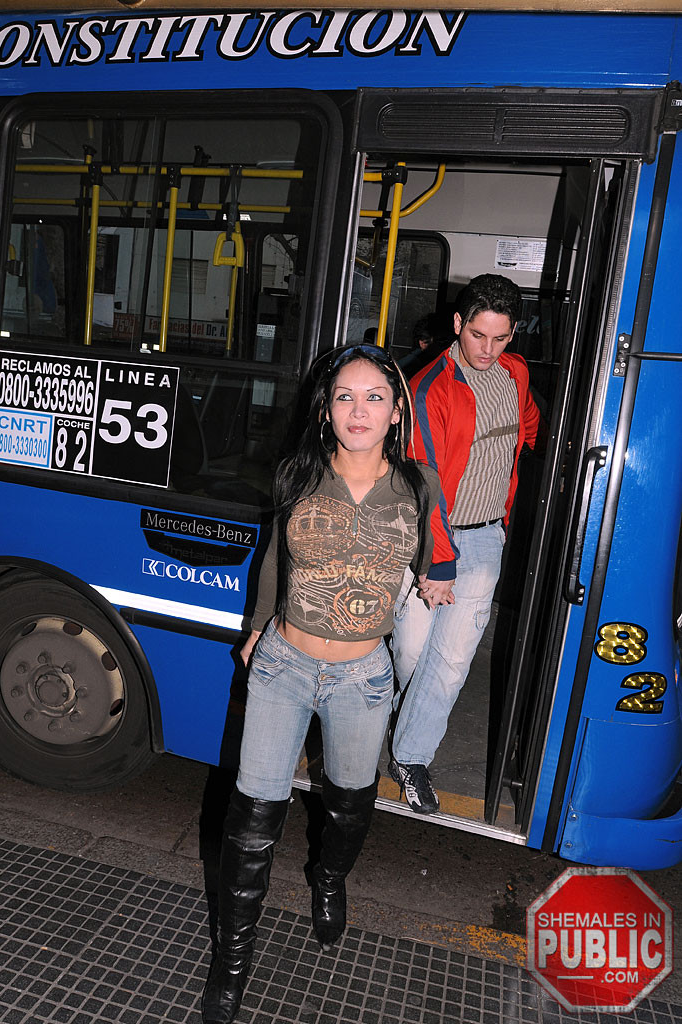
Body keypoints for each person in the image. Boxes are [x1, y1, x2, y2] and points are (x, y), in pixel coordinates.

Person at [202, 343, 456, 1024]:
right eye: (344, 395)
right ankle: (230, 967)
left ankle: (328, 878)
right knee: (251, 822)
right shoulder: (297, 473)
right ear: (325, 409)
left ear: (397, 409)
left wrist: (440, 577)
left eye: (374, 395)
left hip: (363, 678)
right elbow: (273, 555)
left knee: (349, 806)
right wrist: (258, 625)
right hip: (284, 666)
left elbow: (437, 555)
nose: (358, 408)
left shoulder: (419, 484)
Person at [389, 274, 542, 815]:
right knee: (410, 653)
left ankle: (409, 757)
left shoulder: (515, 374)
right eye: (478, 336)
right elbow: (422, 480)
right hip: (432, 542)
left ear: (513, 333)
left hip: (486, 540)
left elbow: (525, 424)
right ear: (458, 324)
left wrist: (518, 445)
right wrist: (441, 561)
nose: (488, 350)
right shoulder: (430, 387)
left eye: (500, 339)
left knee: (450, 663)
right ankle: (408, 721)